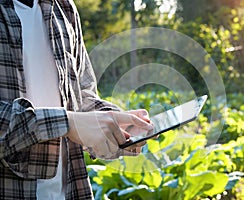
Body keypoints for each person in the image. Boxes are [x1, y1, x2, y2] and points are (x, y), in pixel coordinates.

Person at [0, 0, 153, 199]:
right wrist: (67, 123)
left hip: (69, 190)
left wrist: (114, 122)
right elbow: (72, 120)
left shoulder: (64, 7)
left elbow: (81, 94)